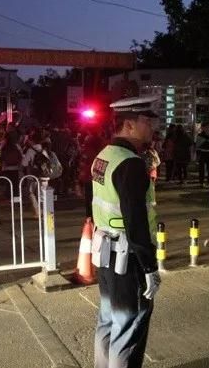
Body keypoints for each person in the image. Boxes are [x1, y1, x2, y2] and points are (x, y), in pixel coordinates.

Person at [91, 95, 161, 368]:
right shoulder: (131, 163)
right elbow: (136, 219)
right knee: (129, 326)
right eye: (146, 121)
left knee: (108, 321)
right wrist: (149, 267)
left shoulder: (104, 156)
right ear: (129, 125)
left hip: (106, 253)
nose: (152, 127)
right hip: (128, 258)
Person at [195, 122, 209, 187]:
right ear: (203, 128)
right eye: (206, 127)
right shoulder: (200, 135)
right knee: (202, 168)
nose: (208, 128)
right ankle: (201, 182)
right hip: (202, 153)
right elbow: (197, 145)